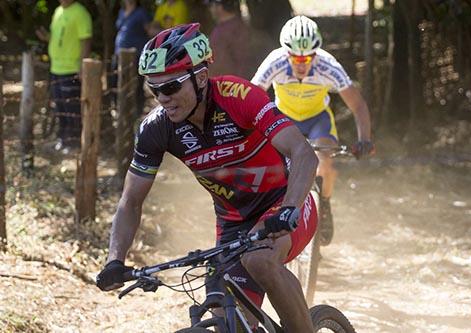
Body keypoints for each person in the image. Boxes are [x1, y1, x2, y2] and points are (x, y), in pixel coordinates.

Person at [96, 23, 319, 332]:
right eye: (154, 88)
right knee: (227, 316)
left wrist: (289, 209)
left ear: (200, 77)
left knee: (259, 260)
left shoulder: (238, 97)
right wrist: (114, 260)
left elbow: (303, 152)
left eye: (171, 86)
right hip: (233, 221)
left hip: (283, 201)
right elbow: (131, 201)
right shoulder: (156, 129)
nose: (162, 97)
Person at [251, 15, 374, 246]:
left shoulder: (328, 66)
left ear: (316, 53)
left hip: (318, 120)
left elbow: (357, 105)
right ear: (285, 53)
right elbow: (252, 97)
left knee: (324, 162)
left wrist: (364, 139)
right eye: (295, 57)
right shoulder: (274, 62)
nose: (301, 62)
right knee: (275, 168)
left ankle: (324, 203)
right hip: (285, 119)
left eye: (308, 57)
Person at [35, 0, 92, 151]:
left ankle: (74, 142)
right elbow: (57, 38)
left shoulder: (80, 13)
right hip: (56, 68)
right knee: (59, 107)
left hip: (71, 69)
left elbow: (86, 41)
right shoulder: (58, 11)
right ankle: (63, 139)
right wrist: (46, 37)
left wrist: (82, 67)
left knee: (71, 108)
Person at [114, 0, 155, 116]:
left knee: (136, 86)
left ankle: (136, 114)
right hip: (120, 55)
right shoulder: (122, 11)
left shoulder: (141, 13)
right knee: (118, 84)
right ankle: (123, 112)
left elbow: (150, 31)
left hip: (136, 55)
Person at [206, 0, 251, 78]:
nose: (210, 9)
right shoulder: (242, 26)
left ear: (219, 7)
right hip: (239, 84)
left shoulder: (221, 33)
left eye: (211, 5)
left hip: (228, 85)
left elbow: (217, 66)